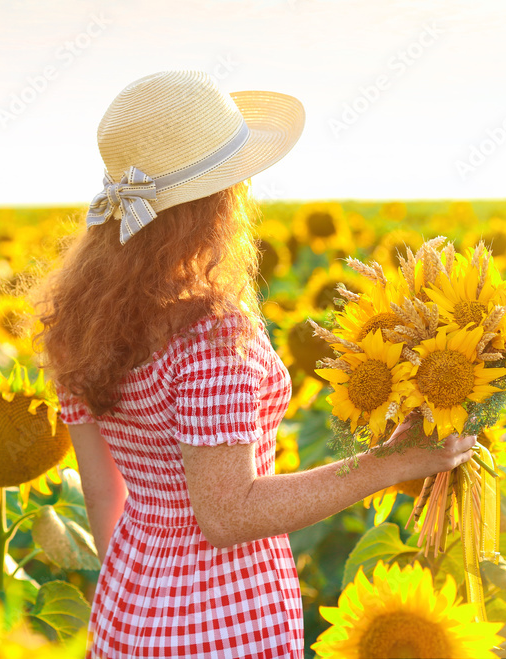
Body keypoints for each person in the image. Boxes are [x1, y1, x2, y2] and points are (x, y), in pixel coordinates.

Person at [32, 70, 478, 659]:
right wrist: (391, 463)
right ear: (219, 201)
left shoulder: (83, 316)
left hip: (130, 604)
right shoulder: (212, 333)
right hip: (223, 615)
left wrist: (147, 593)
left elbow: (100, 494)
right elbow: (227, 513)